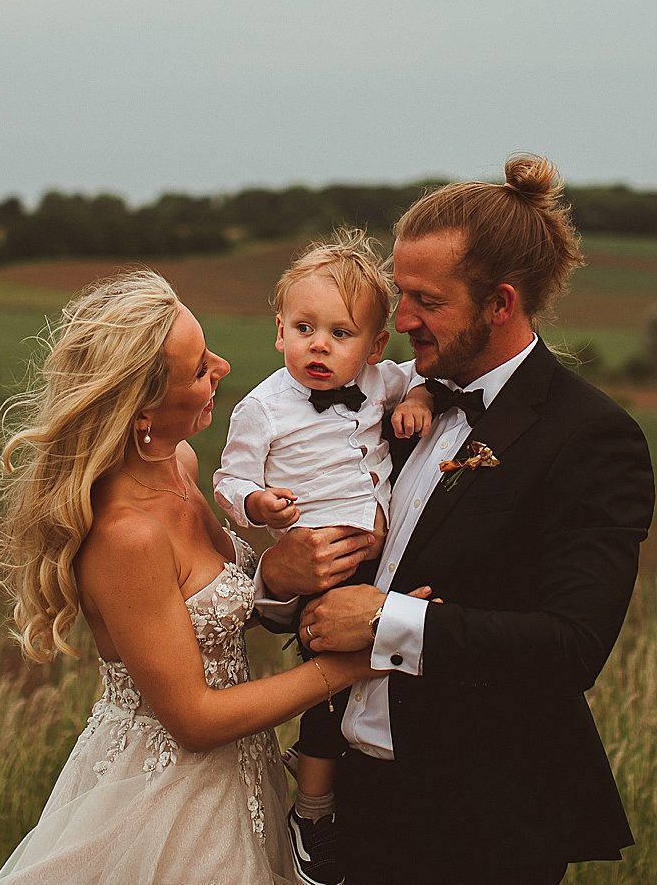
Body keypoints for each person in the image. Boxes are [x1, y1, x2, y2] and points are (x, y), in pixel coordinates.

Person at [259, 155, 657, 885]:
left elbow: (572, 646)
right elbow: (325, 568)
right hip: (350, 801)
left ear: (500, 303)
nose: (400, 318)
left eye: (425, 301)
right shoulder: (378, 403)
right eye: (397, 293)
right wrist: (278, 583)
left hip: (477, 822)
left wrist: (386, 622)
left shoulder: (588, 436)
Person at [0, 270, 383, 885]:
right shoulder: (127, 536)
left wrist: (274, 574)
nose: (221, 367)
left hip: (246, 772)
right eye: (198, 369)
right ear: (141, 410)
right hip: (167, 796)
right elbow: (194, 719)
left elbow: (211, 607)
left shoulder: (180, 464)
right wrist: (352, 666)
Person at [211, 230, 437, 885]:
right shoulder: (262, 408)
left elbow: (427, 374)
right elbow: (228, 481)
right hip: (320, 563)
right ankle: (313, 813)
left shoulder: (380, 383)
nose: (319, 344)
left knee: (380, 677)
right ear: (279, 330)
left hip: (383, 559)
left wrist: (418, 398)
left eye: (340, 333)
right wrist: (260, 507)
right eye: (304, 327)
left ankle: (338, 797)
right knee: (332, 686)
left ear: (372, 347)